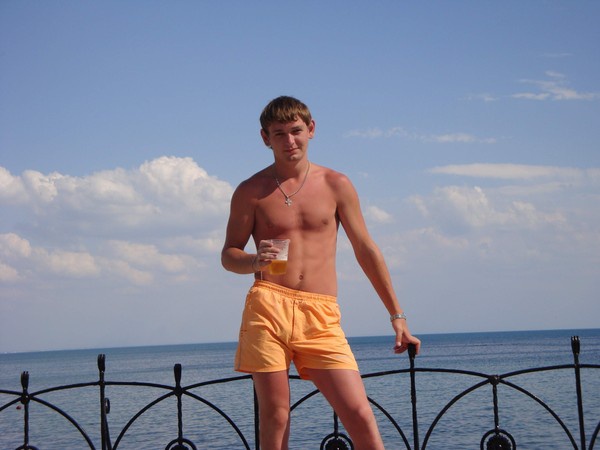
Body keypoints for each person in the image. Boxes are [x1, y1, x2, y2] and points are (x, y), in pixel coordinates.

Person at [221, 96, 421, 450]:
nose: (290, 141)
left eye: (296, 131)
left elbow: (365, 249)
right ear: (265, 138)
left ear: (311, 129)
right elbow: (228, 254)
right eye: (279, 134)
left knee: (359, 413)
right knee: (276, 416)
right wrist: (253, 261)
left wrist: (397, 315)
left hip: (320, 312)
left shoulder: (335, 184)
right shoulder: (250, 191)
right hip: (268, 307)